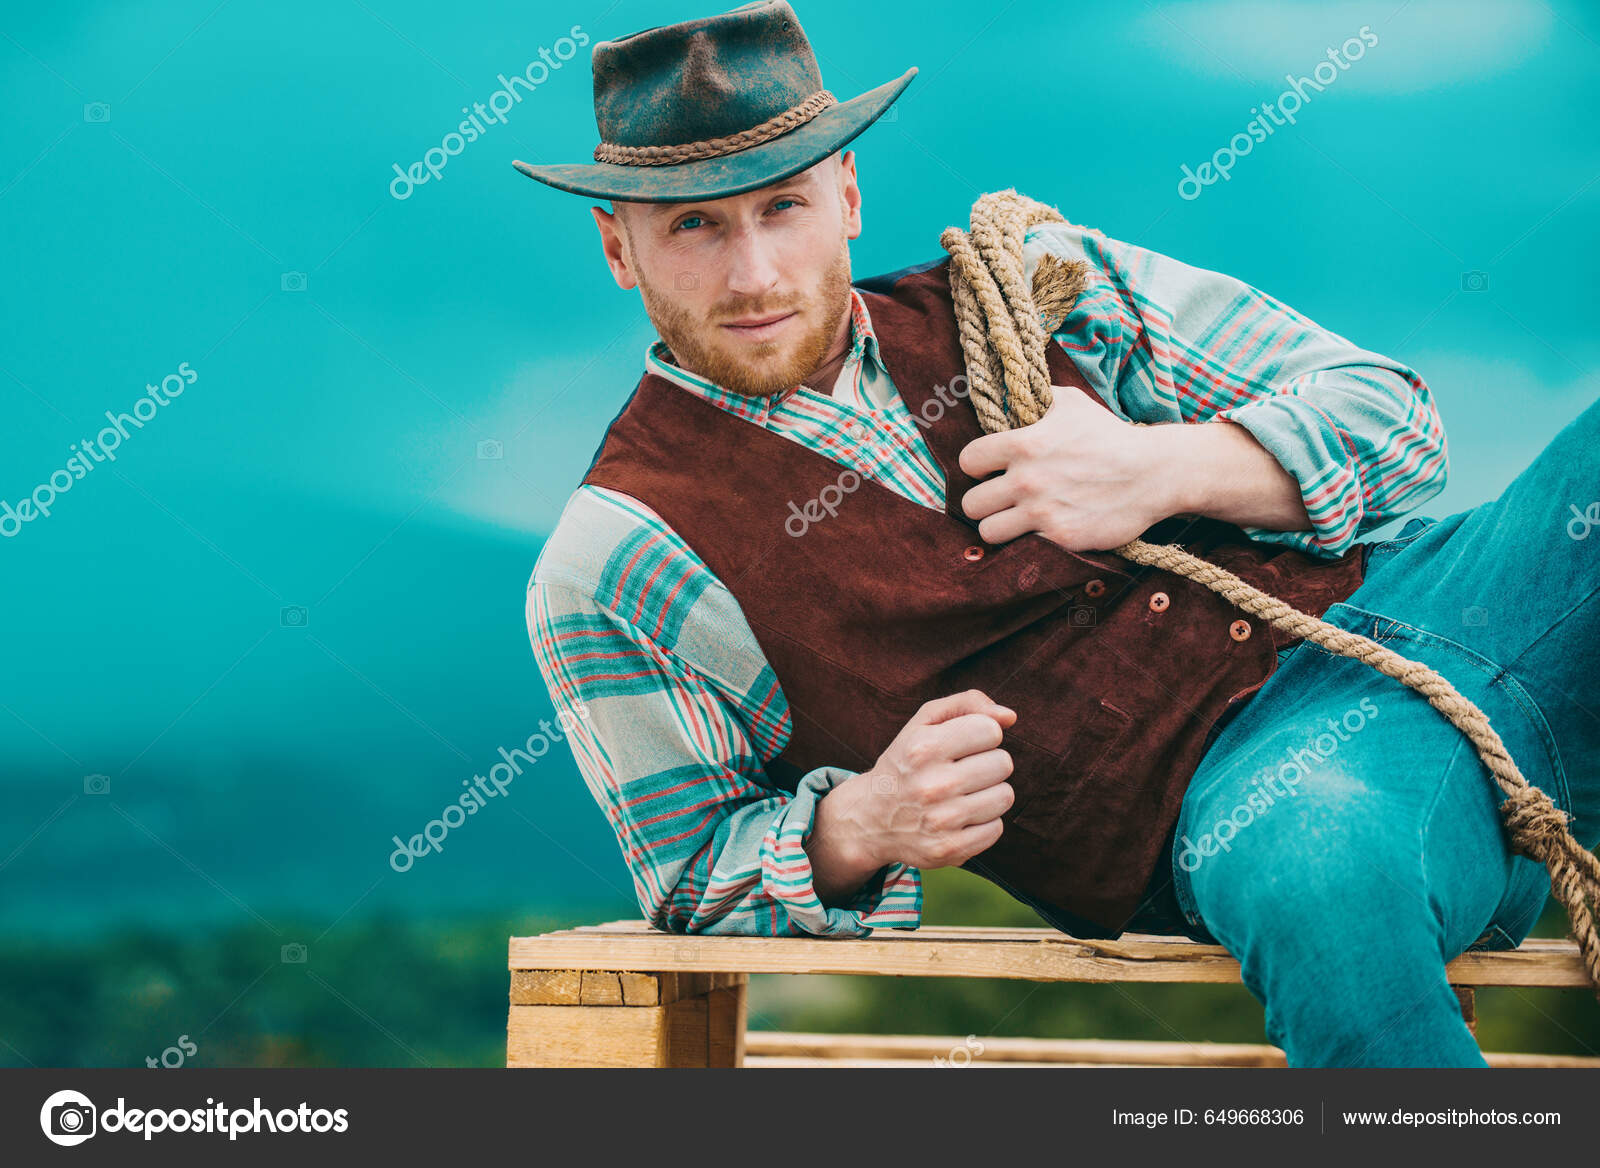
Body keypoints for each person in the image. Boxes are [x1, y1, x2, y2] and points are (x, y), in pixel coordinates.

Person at [514, 2, 1598, 1066]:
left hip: (1454, 599)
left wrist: (1157, 468)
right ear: (618, 248)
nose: (752, 274)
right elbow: (692, 873)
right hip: (1273, 801)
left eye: (782, 206)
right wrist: (862, 824)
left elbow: (1397, 421)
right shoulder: (612, 562)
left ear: (846, 195)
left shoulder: (1033, 284)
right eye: (694, 225)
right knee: (1319, 873)